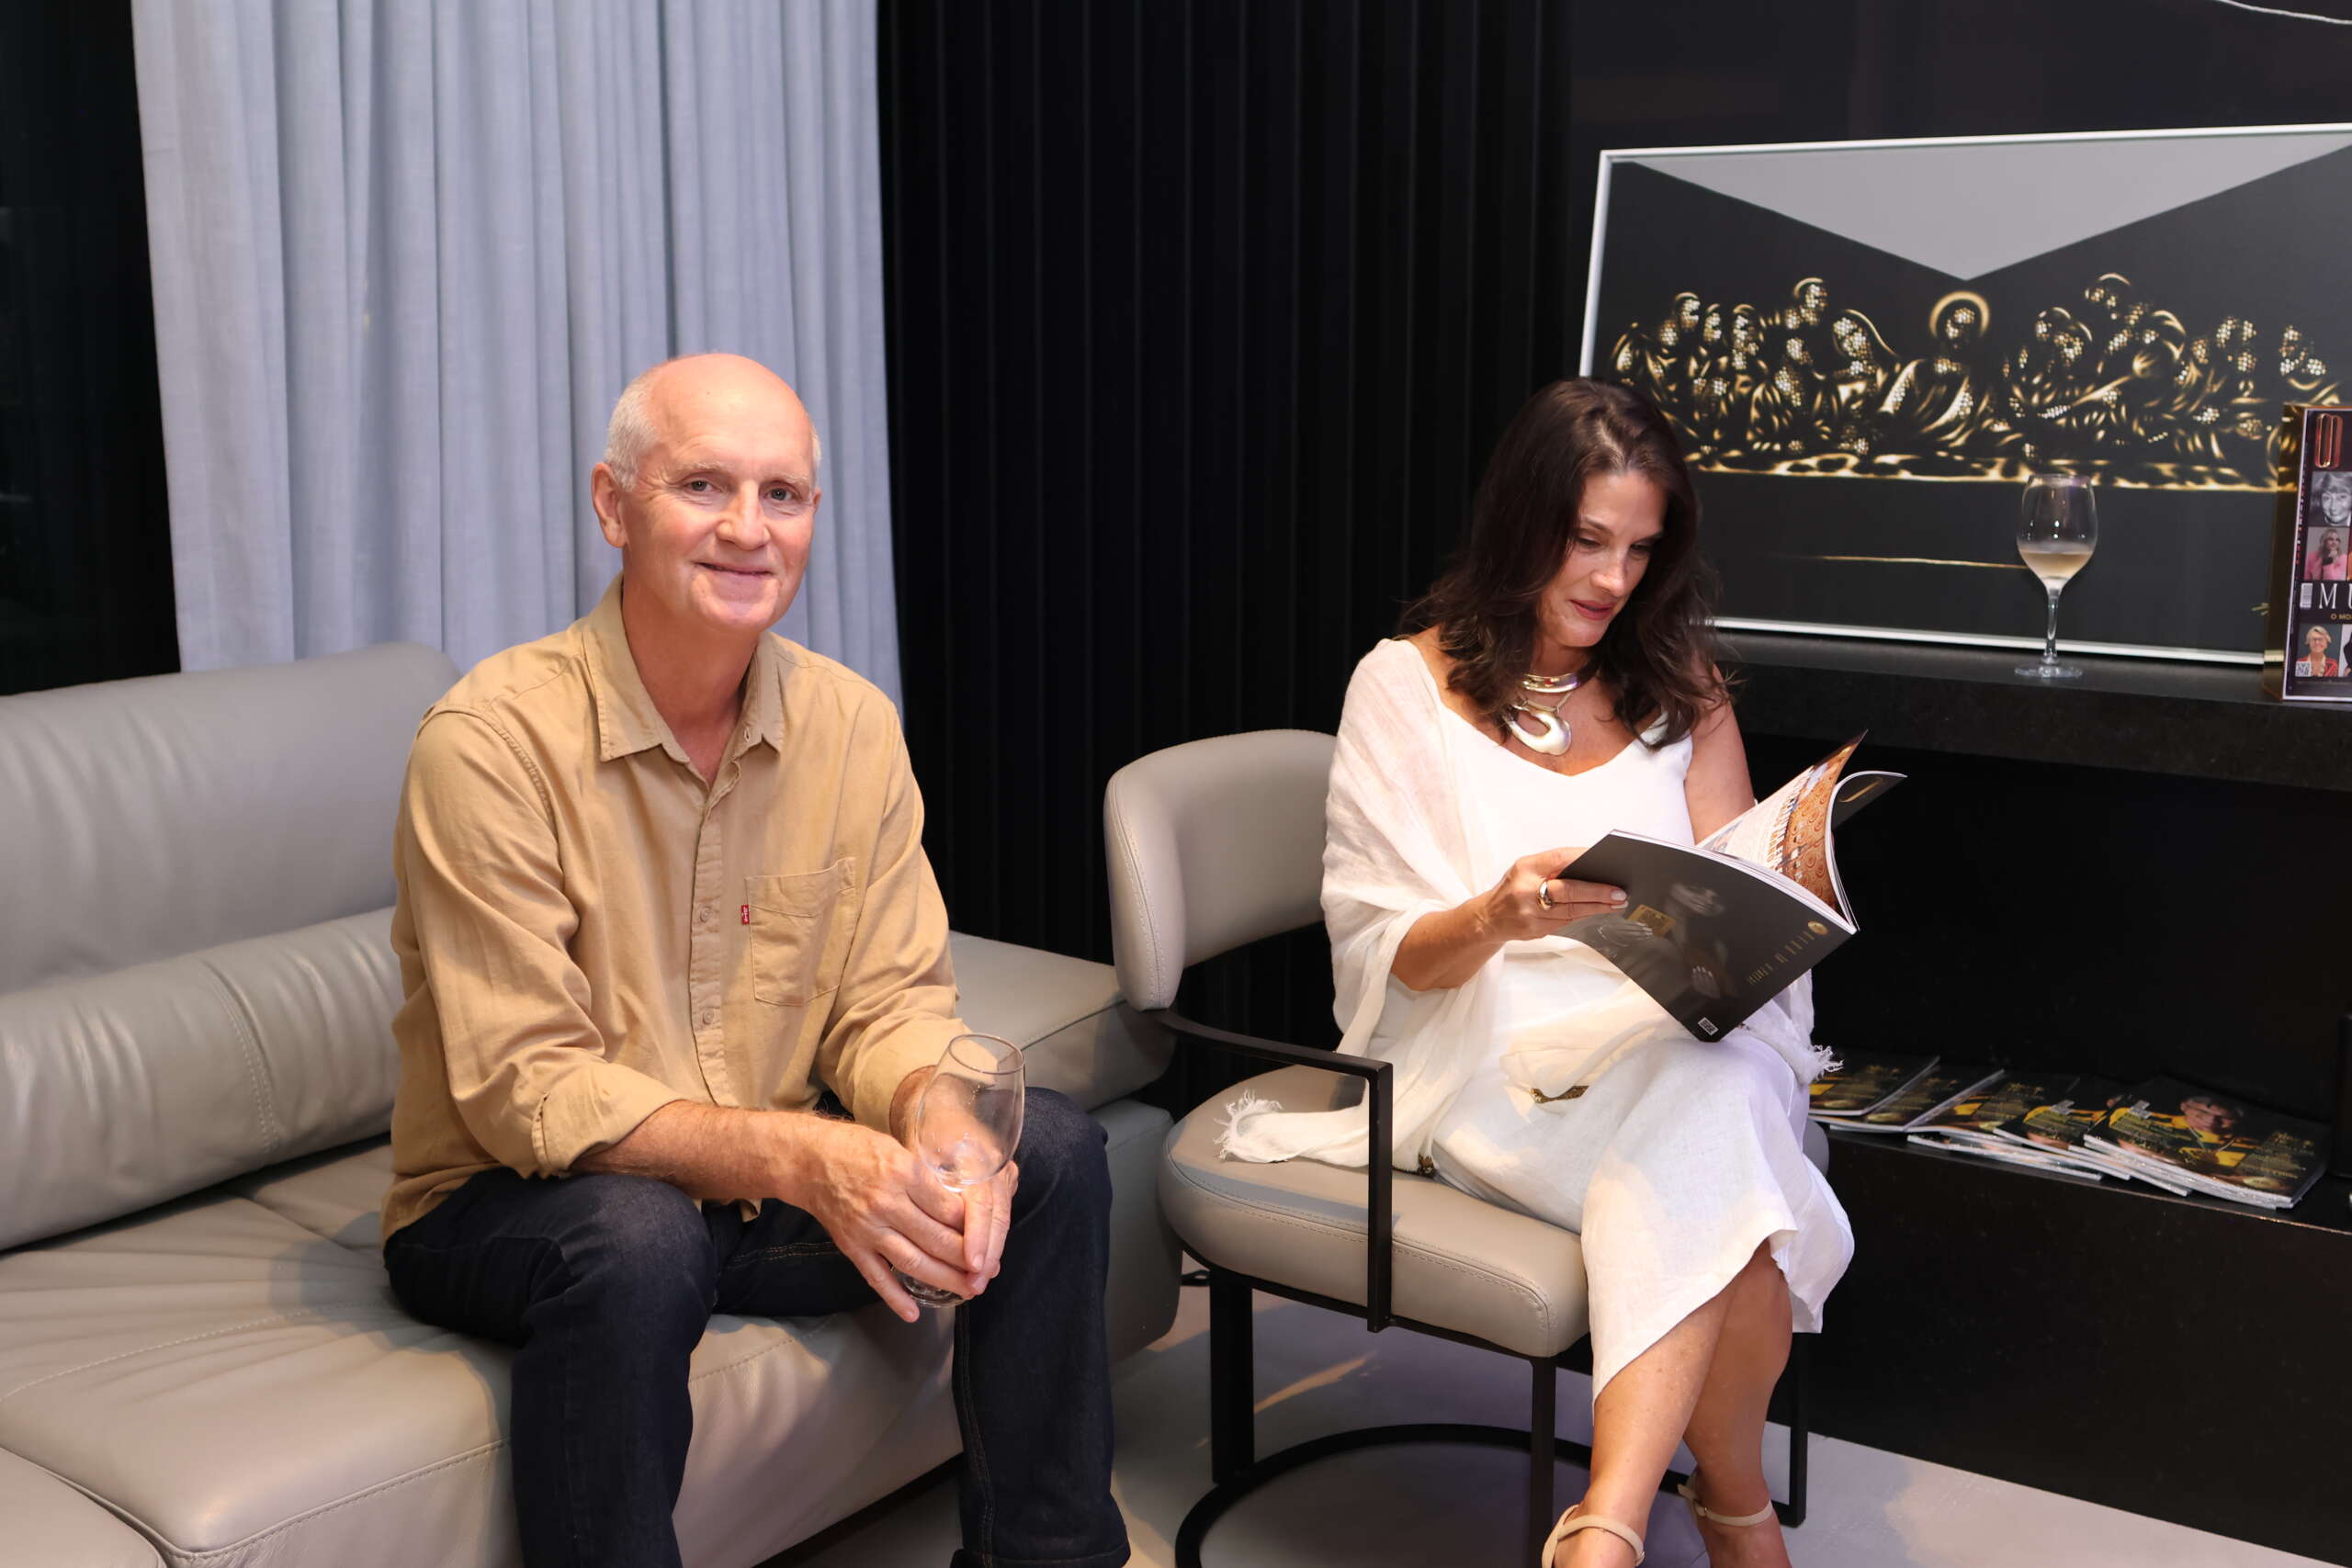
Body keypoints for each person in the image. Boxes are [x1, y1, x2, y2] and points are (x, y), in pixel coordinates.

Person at [380, 354, 1125, 1568]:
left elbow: (889, 1002)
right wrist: (804, 1158)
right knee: (639, 1240)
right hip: (509, 1204)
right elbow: (527, 1088)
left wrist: (940, 1120)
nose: (747, 528)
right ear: (613, 505)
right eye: (703, 486)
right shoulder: (489, 743)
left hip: (745, 1198)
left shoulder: (850, 724)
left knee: (1046, 1151)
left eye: (782, 494)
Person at [1219, 378, 1852, 1568]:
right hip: (1487, 1063)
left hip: (1667, 1041)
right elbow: (1379, 954)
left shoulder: (1681, 685)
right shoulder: (1402, 688)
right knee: (1738, 1187)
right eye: (1588, 540)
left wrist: (1766, 917)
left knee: (1717, 1085)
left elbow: (1740, 889)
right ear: (1523, 522)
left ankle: (1602, 1532)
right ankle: (1728, 1513)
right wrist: (1498, 915)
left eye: (1641, 550)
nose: (1614, 579)